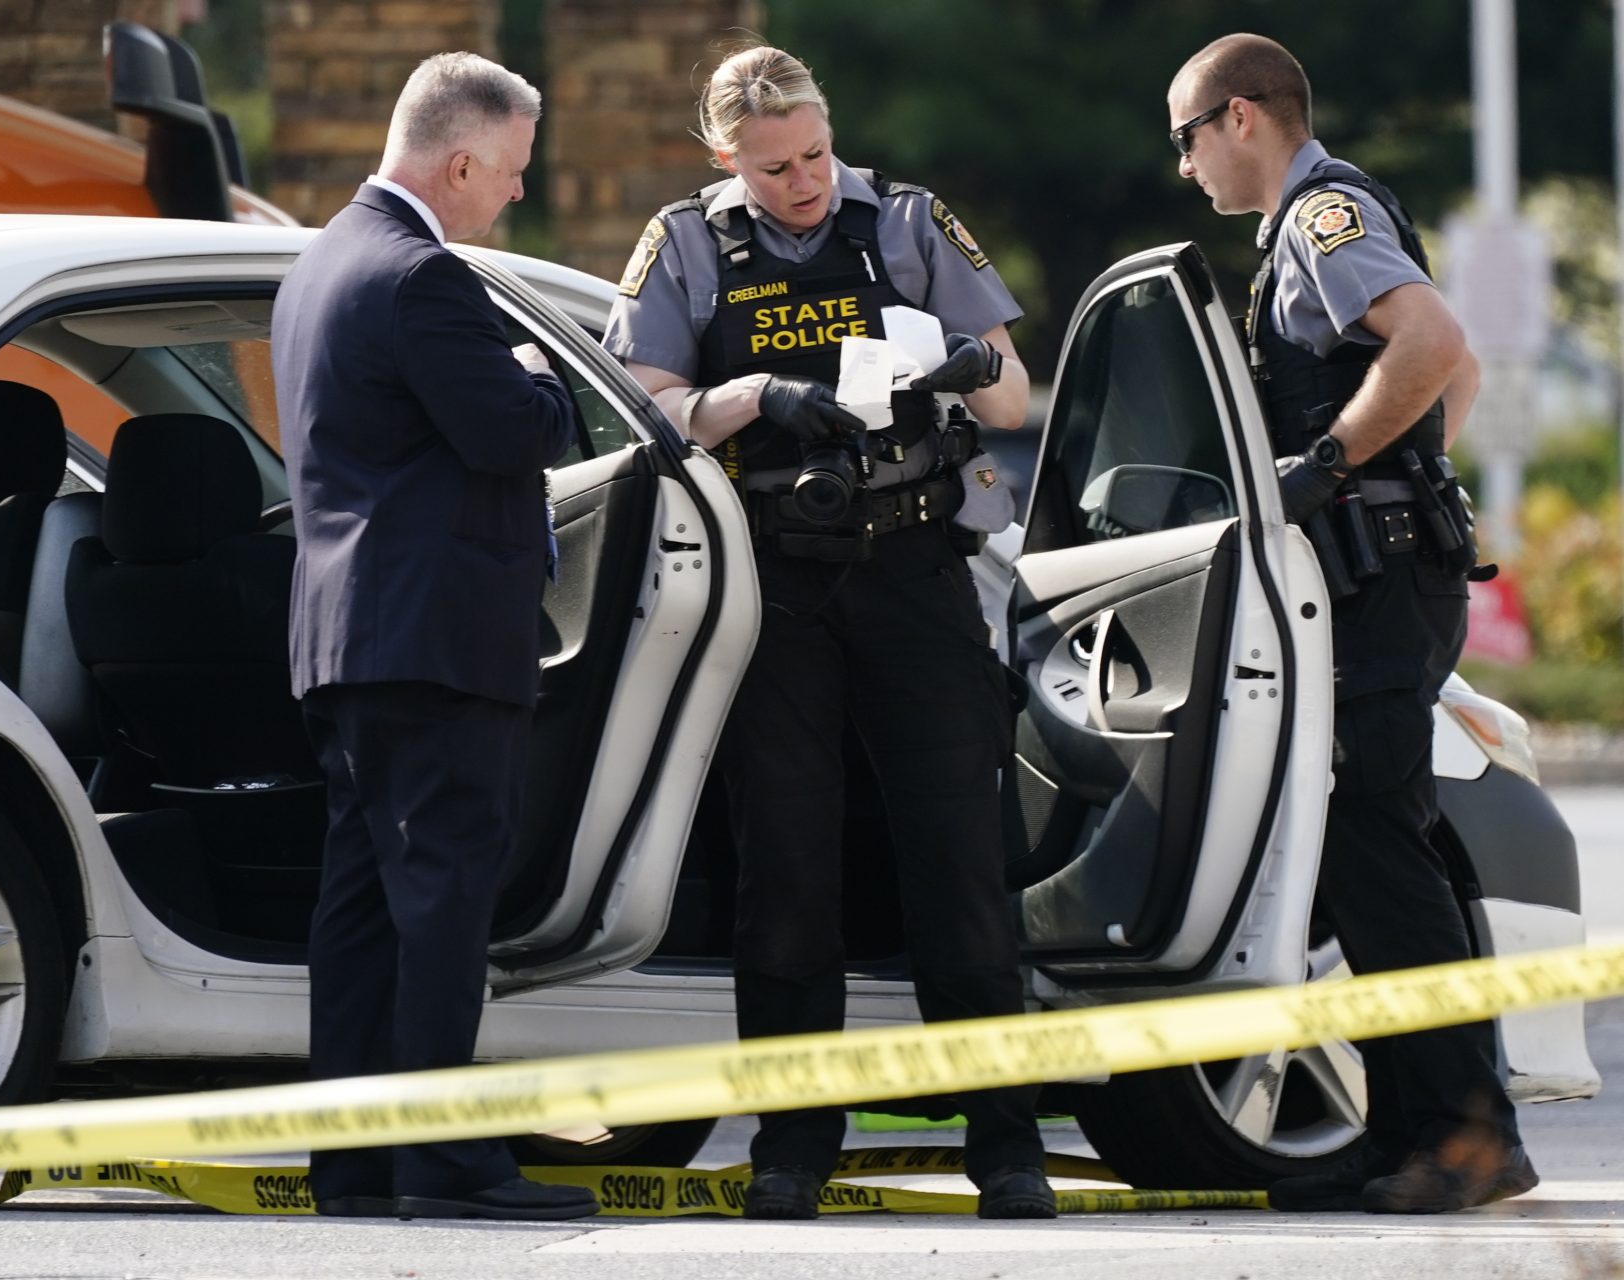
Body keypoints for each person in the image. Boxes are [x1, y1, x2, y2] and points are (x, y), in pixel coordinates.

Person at [603, 45, 1054, 1221]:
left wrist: (964, 361)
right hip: (774, 581)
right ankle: (793, 1145)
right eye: (773, 167)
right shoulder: (687, 245)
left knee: (959, 856)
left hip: (914, 563)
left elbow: (1011, 393)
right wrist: (754, 398)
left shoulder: (903, 221)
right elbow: (641, 404)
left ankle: (1004, 1142)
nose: (802, 181)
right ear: (724, 159)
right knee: (786, 870)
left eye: (812, 154)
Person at [1166, 33, 1533, 1215]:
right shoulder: (1301, 237)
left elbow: (1428, 344)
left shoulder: (1324, 218)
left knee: (1384, 848)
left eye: (1187, 137)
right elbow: (1448, 375)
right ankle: (1410, 1129)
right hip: (1377, 570)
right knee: (1368, 859)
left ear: (1241, 118)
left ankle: (1472, 1138)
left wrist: (1327, 466)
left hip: (1377, 583)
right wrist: (1410, 473)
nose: (1185, 169)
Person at [271, 52, 597, 1223]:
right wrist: (542, 382)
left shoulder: (319, 266)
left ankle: (355, 1158)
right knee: (441, 903)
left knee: (361, 909)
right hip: (436, 640)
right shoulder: (424, 278)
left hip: (350, 641)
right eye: (508, 172)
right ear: (460, 161)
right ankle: (443, 1159)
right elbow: (515, 431)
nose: (513, 193)